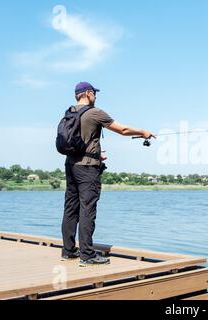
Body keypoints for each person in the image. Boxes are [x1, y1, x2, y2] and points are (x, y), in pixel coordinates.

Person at [61, 82, 155, 266]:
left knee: (70, 208)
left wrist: (96, 153)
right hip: (88, 169)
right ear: (88, 93)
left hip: (71, 166)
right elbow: (123, 130)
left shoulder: (69, 113)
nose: (95, 96)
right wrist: (143, 132)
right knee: (87, 209)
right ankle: (87, 255)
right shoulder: (95, 112)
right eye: (94, 93)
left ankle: (68, 250)